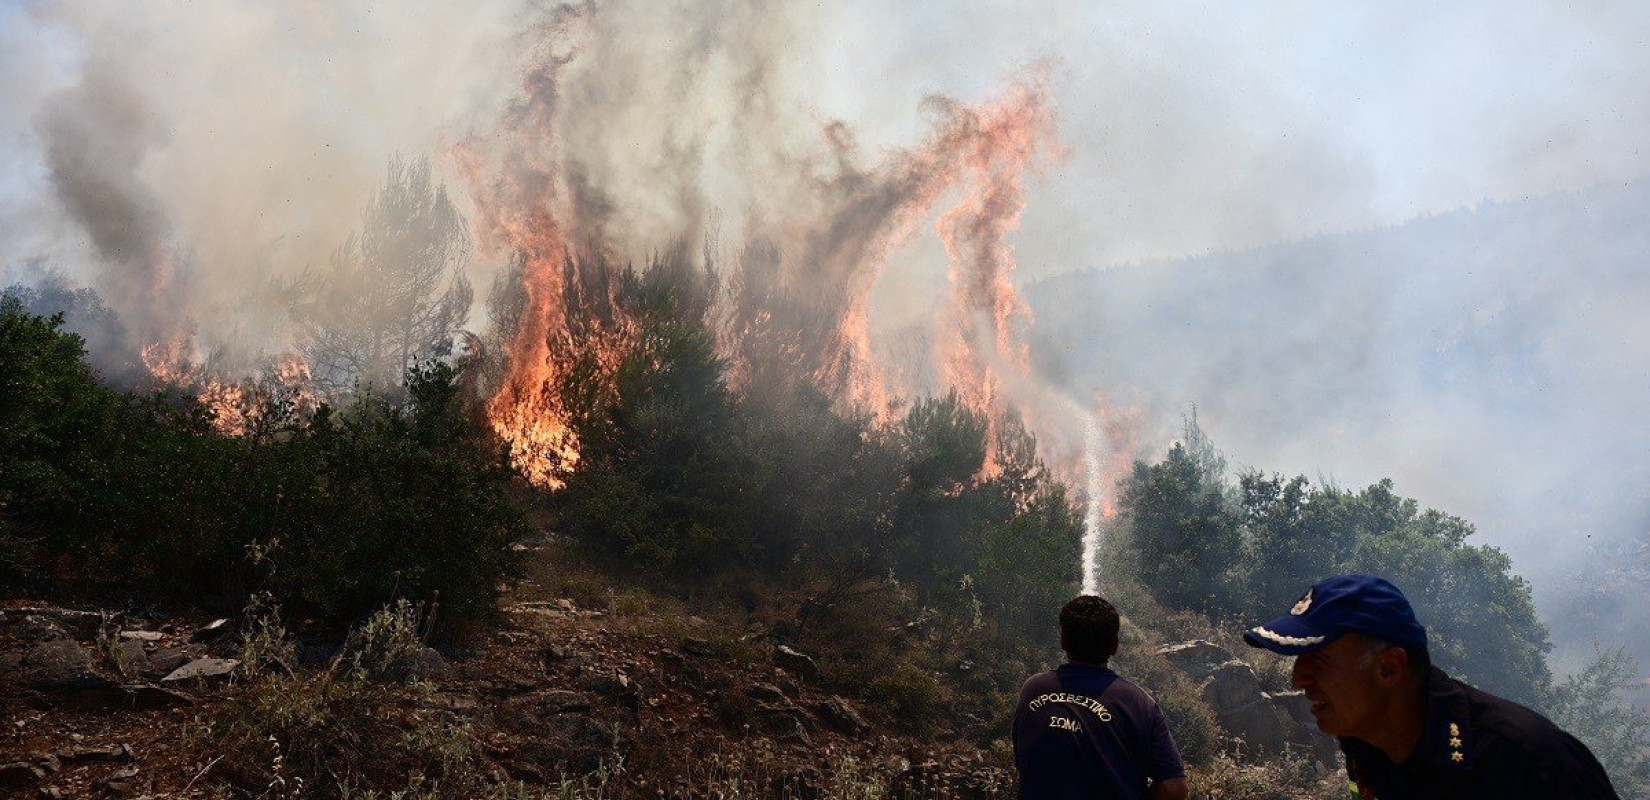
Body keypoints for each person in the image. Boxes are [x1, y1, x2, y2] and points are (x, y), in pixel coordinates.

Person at [1243, 573, 1620, 799]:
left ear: (1389, 668)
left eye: (1319, 661)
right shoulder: (1365, 740)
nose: (1297, 680)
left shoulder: (1528, 762)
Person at [1013, 595, 1190, 800]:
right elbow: (1174, 789)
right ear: (1114, 645)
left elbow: (1025, 761)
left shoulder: (1033, 689)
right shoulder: (1139, 704)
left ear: (1063, 641)